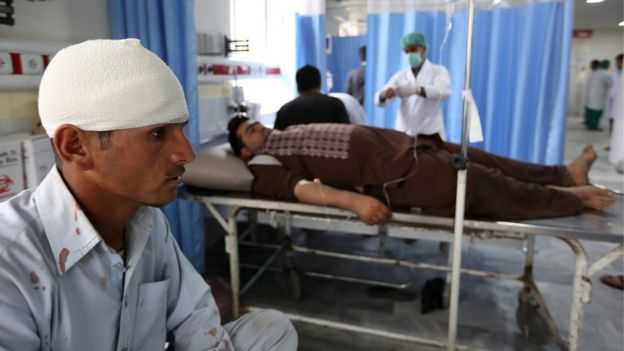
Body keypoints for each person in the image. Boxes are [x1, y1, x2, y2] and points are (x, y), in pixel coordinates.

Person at [0, 39, 297, 351]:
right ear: (76, 146)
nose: (186, 154)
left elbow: (195, 318)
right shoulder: (12, 261)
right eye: (158, 133)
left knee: (271, 328)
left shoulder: (147, 223)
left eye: (181, 130)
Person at [227, 117, 614, 224]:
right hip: (392, 177)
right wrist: (356, 202)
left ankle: (564, 174)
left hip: (405, 148)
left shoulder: (284, 132)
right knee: (481, 183)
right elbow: (301, 190)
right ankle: (569, 200)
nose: (259, 127)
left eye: (255, 122)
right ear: (245, 151)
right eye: (251, 130)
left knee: (486, 160)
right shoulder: (263, 166)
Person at [375, 32, 451, 139]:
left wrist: (418, 90)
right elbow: (379, 101)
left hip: (431, 133)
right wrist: (384, 95)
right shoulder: (401, 76)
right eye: (407, 51)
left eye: (413, 50)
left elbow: (445, 91)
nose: (410, 54)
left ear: (423, 49)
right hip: (405, 133)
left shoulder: (439, 71)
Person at [274, 65, 349, 130]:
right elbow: (348, 135)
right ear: (320, 85)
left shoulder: (284, 111)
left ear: (298, 87)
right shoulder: (336, 105)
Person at [585, 59, 613, 130]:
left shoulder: (594, 73)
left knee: (591, 110)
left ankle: (589, 124)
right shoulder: (605, 74)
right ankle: (593, 126)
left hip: (591, 95)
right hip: (598, 96)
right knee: (596, 112)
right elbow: (611, 83)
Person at [608, 54, 624, 173]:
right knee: (613, 127)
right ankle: (613, 146)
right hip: (616, 106)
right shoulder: (617, 73)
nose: (617, 64)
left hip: (620, 109)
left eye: (619, 62)